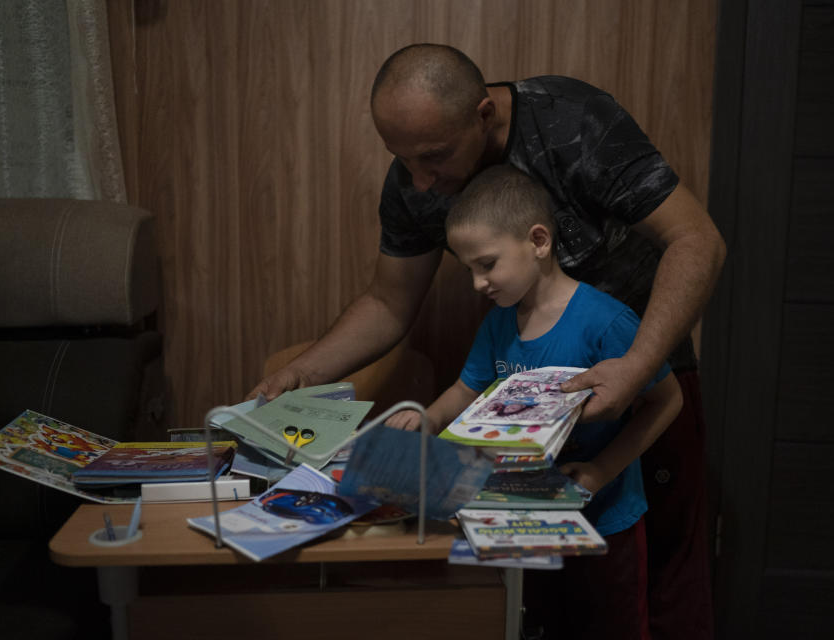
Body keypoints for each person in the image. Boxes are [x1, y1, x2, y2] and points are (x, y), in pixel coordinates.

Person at [249, 43, 724, 638]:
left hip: (643, 370)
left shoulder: (571, 121)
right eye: (402, 160)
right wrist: (303, 373)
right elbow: (388, 302)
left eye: (434, 157)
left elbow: (697, 241)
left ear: (483, 115)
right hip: (537, 443)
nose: (420, 182)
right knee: (546, 603)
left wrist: (636, 366)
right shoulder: (417, 180)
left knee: (660, 582)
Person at [385, 164, 683, 638]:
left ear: (539, 242)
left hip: (605, 525)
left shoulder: (606, 322)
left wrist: (604, 469)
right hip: (522, 524)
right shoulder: (499, 323)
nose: (478, 284)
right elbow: (467, 390)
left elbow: (668, 401)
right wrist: (426, 418)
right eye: (469, 270)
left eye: (487, 265)